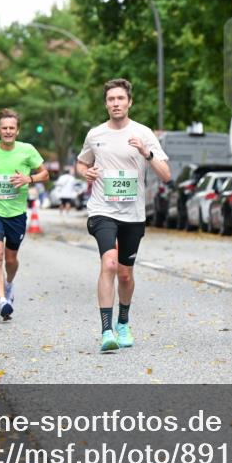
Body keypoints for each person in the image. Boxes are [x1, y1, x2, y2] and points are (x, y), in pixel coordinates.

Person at [77, 78, 170, 352]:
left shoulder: (144, 133)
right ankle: (106, 331)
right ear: (106, 104)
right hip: (102, 210)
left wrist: (146, 152)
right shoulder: (95, 135)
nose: (115, 103)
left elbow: (165, 175)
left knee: (126, 275)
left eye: (120, 99)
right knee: (109, 264)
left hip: (133, 213)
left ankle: (123, 322)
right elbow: (81, 164)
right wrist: (86, 172)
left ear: (129, 102)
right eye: (110, 99)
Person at [0, 109, 48, 320]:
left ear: (17, 130)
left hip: (16, 214)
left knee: (11, 260)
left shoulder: (27, 150)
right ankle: (3, 301)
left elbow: (45, 173)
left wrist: (28, 179)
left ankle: (9, 284)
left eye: (11, 128)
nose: (8, 131)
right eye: (4, 128)